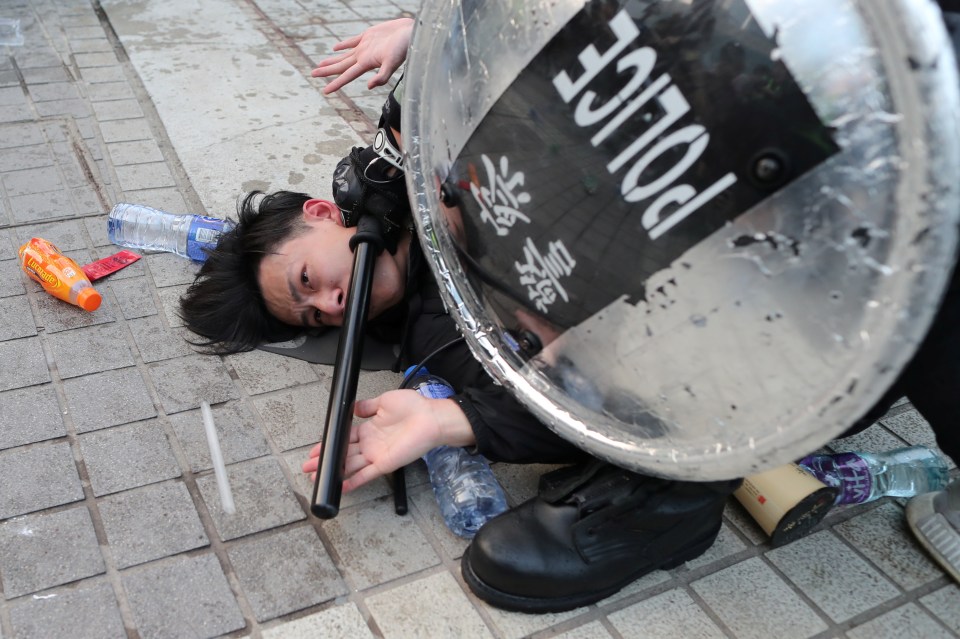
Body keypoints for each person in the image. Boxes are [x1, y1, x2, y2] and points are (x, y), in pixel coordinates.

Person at [179, 13, 960, 611]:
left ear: (324, 210)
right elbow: (563, 409)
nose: (332, 299)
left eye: (310, 276)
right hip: (787, 262)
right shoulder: (439, 334)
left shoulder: (413, 139)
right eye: (317, 316)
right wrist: (447, 421)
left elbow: (529, 36)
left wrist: (433, 30)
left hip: (766, 76)